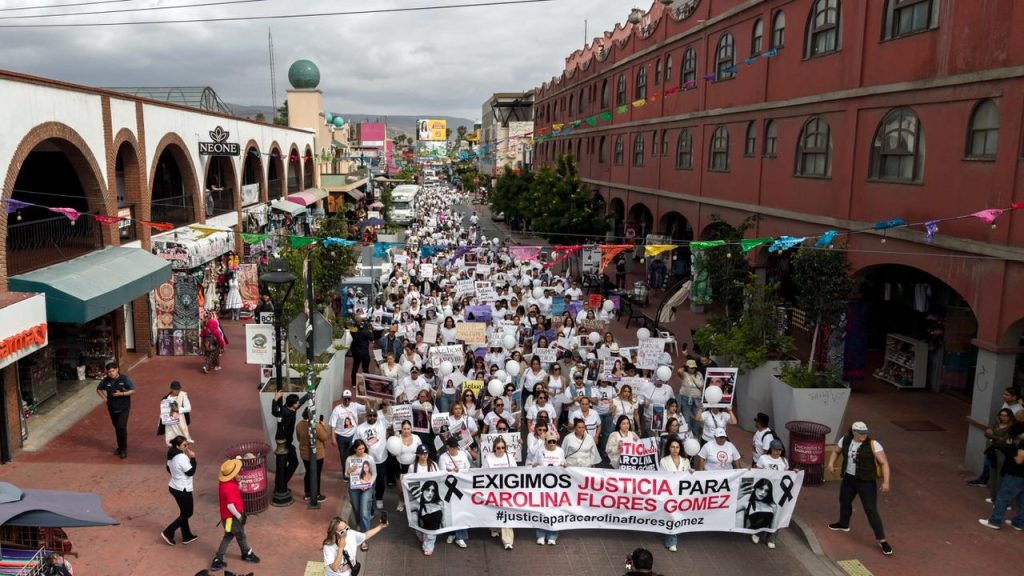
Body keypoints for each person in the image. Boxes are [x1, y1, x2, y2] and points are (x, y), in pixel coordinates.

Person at [826, 421, 893, 556]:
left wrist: (886, 482)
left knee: (871, 510)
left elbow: (884, 463)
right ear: (854, 432)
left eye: (865, 433)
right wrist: (831, 463)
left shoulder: (873, 444)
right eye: (861, 433)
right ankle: (844, 523)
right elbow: (836, 452)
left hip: (866, 482)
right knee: (844, 500)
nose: (864, 435)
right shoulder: (845, 440)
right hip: (849, 479)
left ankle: (882, 540)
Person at [210, 458, 260, 571]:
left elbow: (236, 491)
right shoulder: (230, 487)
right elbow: (230, 506)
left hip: (226, 518)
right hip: (233, 519)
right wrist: (239, 516)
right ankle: (246, 553)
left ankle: (219, 559)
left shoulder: (224, 483)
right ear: (233, 475)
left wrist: (239, 481)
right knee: (241, 536)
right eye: (238, 471)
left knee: (228, 536)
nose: (240, 472)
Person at [978, 437, 1024, 531]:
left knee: (1004, 496)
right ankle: (1018, 522)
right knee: (1021, 499)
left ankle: (995, 521)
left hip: (1016, 474)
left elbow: (1019, 460)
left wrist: (1009, 448)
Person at [161, 435, 197, 546]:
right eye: (184, 445)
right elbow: (190, 472)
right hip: (183, 489)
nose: (187, 447)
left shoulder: (171, 454)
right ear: (178, 446)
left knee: (184, 513)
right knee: (188, 513)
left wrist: (177, 474)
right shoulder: (181, 457)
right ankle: (168, 531)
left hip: (174, 486)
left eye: (187, 444)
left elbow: (168, 468)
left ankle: (186, 535)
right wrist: (193, 459)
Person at [323, 515, 388, 576]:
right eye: (342, 532)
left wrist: (381, 526)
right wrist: (340, 548)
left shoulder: (351, 534)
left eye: (347, 528)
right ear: (334, 533)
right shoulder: (328, 547)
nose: (346, 533)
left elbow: (366, 535)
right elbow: (335, 568)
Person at [530, 431, 565, 545]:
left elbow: (563, 464)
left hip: (556, 487)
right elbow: (533, 464)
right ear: (545, 441)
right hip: (542, 486)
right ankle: (540, 535)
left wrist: (565, 466)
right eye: (549, 441)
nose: (551, 443)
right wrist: (535, 466)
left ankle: (552, 535)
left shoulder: (560, 451)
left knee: (554, 511)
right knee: (542, 510)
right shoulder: (540, 451)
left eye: (554, 441)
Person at [437, 437, 471, 548]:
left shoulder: (462, 455)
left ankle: (460, 537)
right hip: (448, 489)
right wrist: (451, 471)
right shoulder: (443, 457)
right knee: (450, 512)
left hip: (461, 488)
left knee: (461, 512)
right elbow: (441, 473)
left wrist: (459, 471)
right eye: (450, 447)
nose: (452, 449)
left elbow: (468, 469)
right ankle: (452, 532)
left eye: (454, 447)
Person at [96, 362, 135, 459]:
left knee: (122, 426)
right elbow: (99, 389)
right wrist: (105, 399)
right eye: (109, 372)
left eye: (113, 371)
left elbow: (133, 390)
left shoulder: (124, 379)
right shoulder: (105, 381)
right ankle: (120, 447)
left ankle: (123, 449)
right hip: (112, 407)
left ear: (117, 369)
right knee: (117, 427)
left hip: (124, 407)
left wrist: (122, 394)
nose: (111, 373)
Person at [483, 437, 516, 549]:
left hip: (506, 491)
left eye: (503, 448)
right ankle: (495, 528)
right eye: (498, 448)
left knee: (506, 514)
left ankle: (508, 541)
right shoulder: (489, 458)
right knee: (494, 511)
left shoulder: (509, 457)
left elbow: (516, 473)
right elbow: (483, 474)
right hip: (493, 490)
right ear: (494, 448)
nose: (501, 450)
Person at [272, 391, 309, 488]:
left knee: (284, 464)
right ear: (293, 405)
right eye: (296, 403)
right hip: (283, 442)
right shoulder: (283, 411)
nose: (298, 403)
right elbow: (274, 412)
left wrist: (309, 395)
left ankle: (280, 484)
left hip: (288, 441)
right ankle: (281, 484)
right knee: (293, 462)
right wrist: (275, 399)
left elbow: (300, 402)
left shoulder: (292, 408)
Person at [356, 410, 390, 510]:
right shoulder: (360, 428)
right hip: (367, 461)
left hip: (381, 459)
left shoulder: (382, 423)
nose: (372, 417)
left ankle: (379, 498)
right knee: (367, 481)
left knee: (380, 481)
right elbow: (356, 443)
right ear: (366, 416)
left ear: (377, 416)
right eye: (370, 415)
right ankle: (369, 501)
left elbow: (388, 413)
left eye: (374, 415)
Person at [660, 437, 690, 551]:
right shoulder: (664, 461)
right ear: (669, 448)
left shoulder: (686, 461)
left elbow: (688, 476)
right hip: (669, 492)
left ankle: (672, 538)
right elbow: (663, 477)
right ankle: (672, 541)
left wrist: (691, 471)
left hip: (681, 494)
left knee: (676, 516)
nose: (675, 449)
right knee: (672, 515)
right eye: (672, 447)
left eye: (677, 447)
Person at [410, 447, 441, 555]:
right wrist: (419, 498)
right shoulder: (412, 467)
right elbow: (410, 482)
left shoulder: (433, 465)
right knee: (418, 522)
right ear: (418, 454)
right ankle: (420, 534)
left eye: (426, 453)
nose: (425, 455)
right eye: (422, 453)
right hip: (418, 500)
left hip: (431, 500)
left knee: (431, 524)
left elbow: (439, 479)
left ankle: (429, 545)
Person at [330, 391, 367, 477]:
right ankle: (345, 473)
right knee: (343, 457)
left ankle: (354, 473)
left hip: (352, 436)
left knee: (353, 455)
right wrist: (333, 437)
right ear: (342, 398)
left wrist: (366, 399)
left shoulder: (354, 405)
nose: (347, 401)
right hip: (341, 437)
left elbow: (366, 408)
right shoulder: (337, 409)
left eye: (348, 399)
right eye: (345, 399)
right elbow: (333, 424)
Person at [346, 440, 376, 543]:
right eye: (359, 449)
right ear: (355, 449)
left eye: (363, 448)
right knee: (357, 508)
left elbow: (374, 474)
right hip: (354, 487)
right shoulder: (349, 459)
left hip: (366, 488)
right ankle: (359, 523)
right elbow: (346, 475)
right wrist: (349, 471)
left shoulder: (369, 458)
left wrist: (368, 485)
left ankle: (364, 536)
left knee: (364, 511)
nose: (362, 451)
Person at [297, 408, 329, 503]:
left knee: (308, 472)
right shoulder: (316, 426)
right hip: (317, 454)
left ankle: (307, 493)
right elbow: (325, 437)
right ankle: (316, 494)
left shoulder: (299, 425)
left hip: (304, 453)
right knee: (316, 474)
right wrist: (323, 426)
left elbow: (299, 439)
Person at [395, 420, 423, 513]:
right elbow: (392, 454)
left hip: (413, 467)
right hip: (400, 467)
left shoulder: (416, 438)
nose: (406, 431)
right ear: (401, 429)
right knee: (401, 489)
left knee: (413, 488)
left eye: (408, 429)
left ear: (411, 429)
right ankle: (401, 502)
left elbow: (421, 451)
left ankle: (413, 504)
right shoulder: (397, 438)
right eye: (404, 429)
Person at [676, 360, 703, 436]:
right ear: (687, 367)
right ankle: (687, 434)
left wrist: (693, 377)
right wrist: (683, 367)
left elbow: (700, 385)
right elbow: (679, 371)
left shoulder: (698, 374)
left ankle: (696, 433)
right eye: (690, 367)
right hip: (685, 397)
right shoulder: (684, 374)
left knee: (697, 416)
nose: (692, 369)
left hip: (697, 398)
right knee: (686, 416)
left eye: (694, 367)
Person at [349, 315, 375, 388]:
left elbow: (353, 329)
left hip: (355, 351)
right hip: (364, 352)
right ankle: (366, 384)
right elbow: (372, 338)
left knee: (355, 367)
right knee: (365, 368)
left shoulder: (353, 330)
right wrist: (370, 330)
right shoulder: (365, 331)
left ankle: (353, 383)